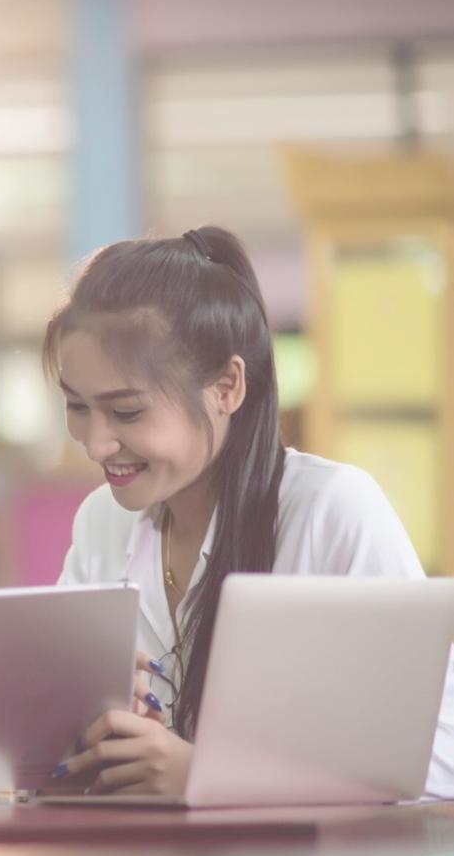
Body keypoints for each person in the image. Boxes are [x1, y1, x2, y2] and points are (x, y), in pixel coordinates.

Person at [45, 225, 453, 798]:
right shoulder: (100, 522)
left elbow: (435, 761)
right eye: (76, 407)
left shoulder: (330, 510)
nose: (96, 444)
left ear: (227, 386)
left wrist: (207, 775)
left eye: (127, 412)